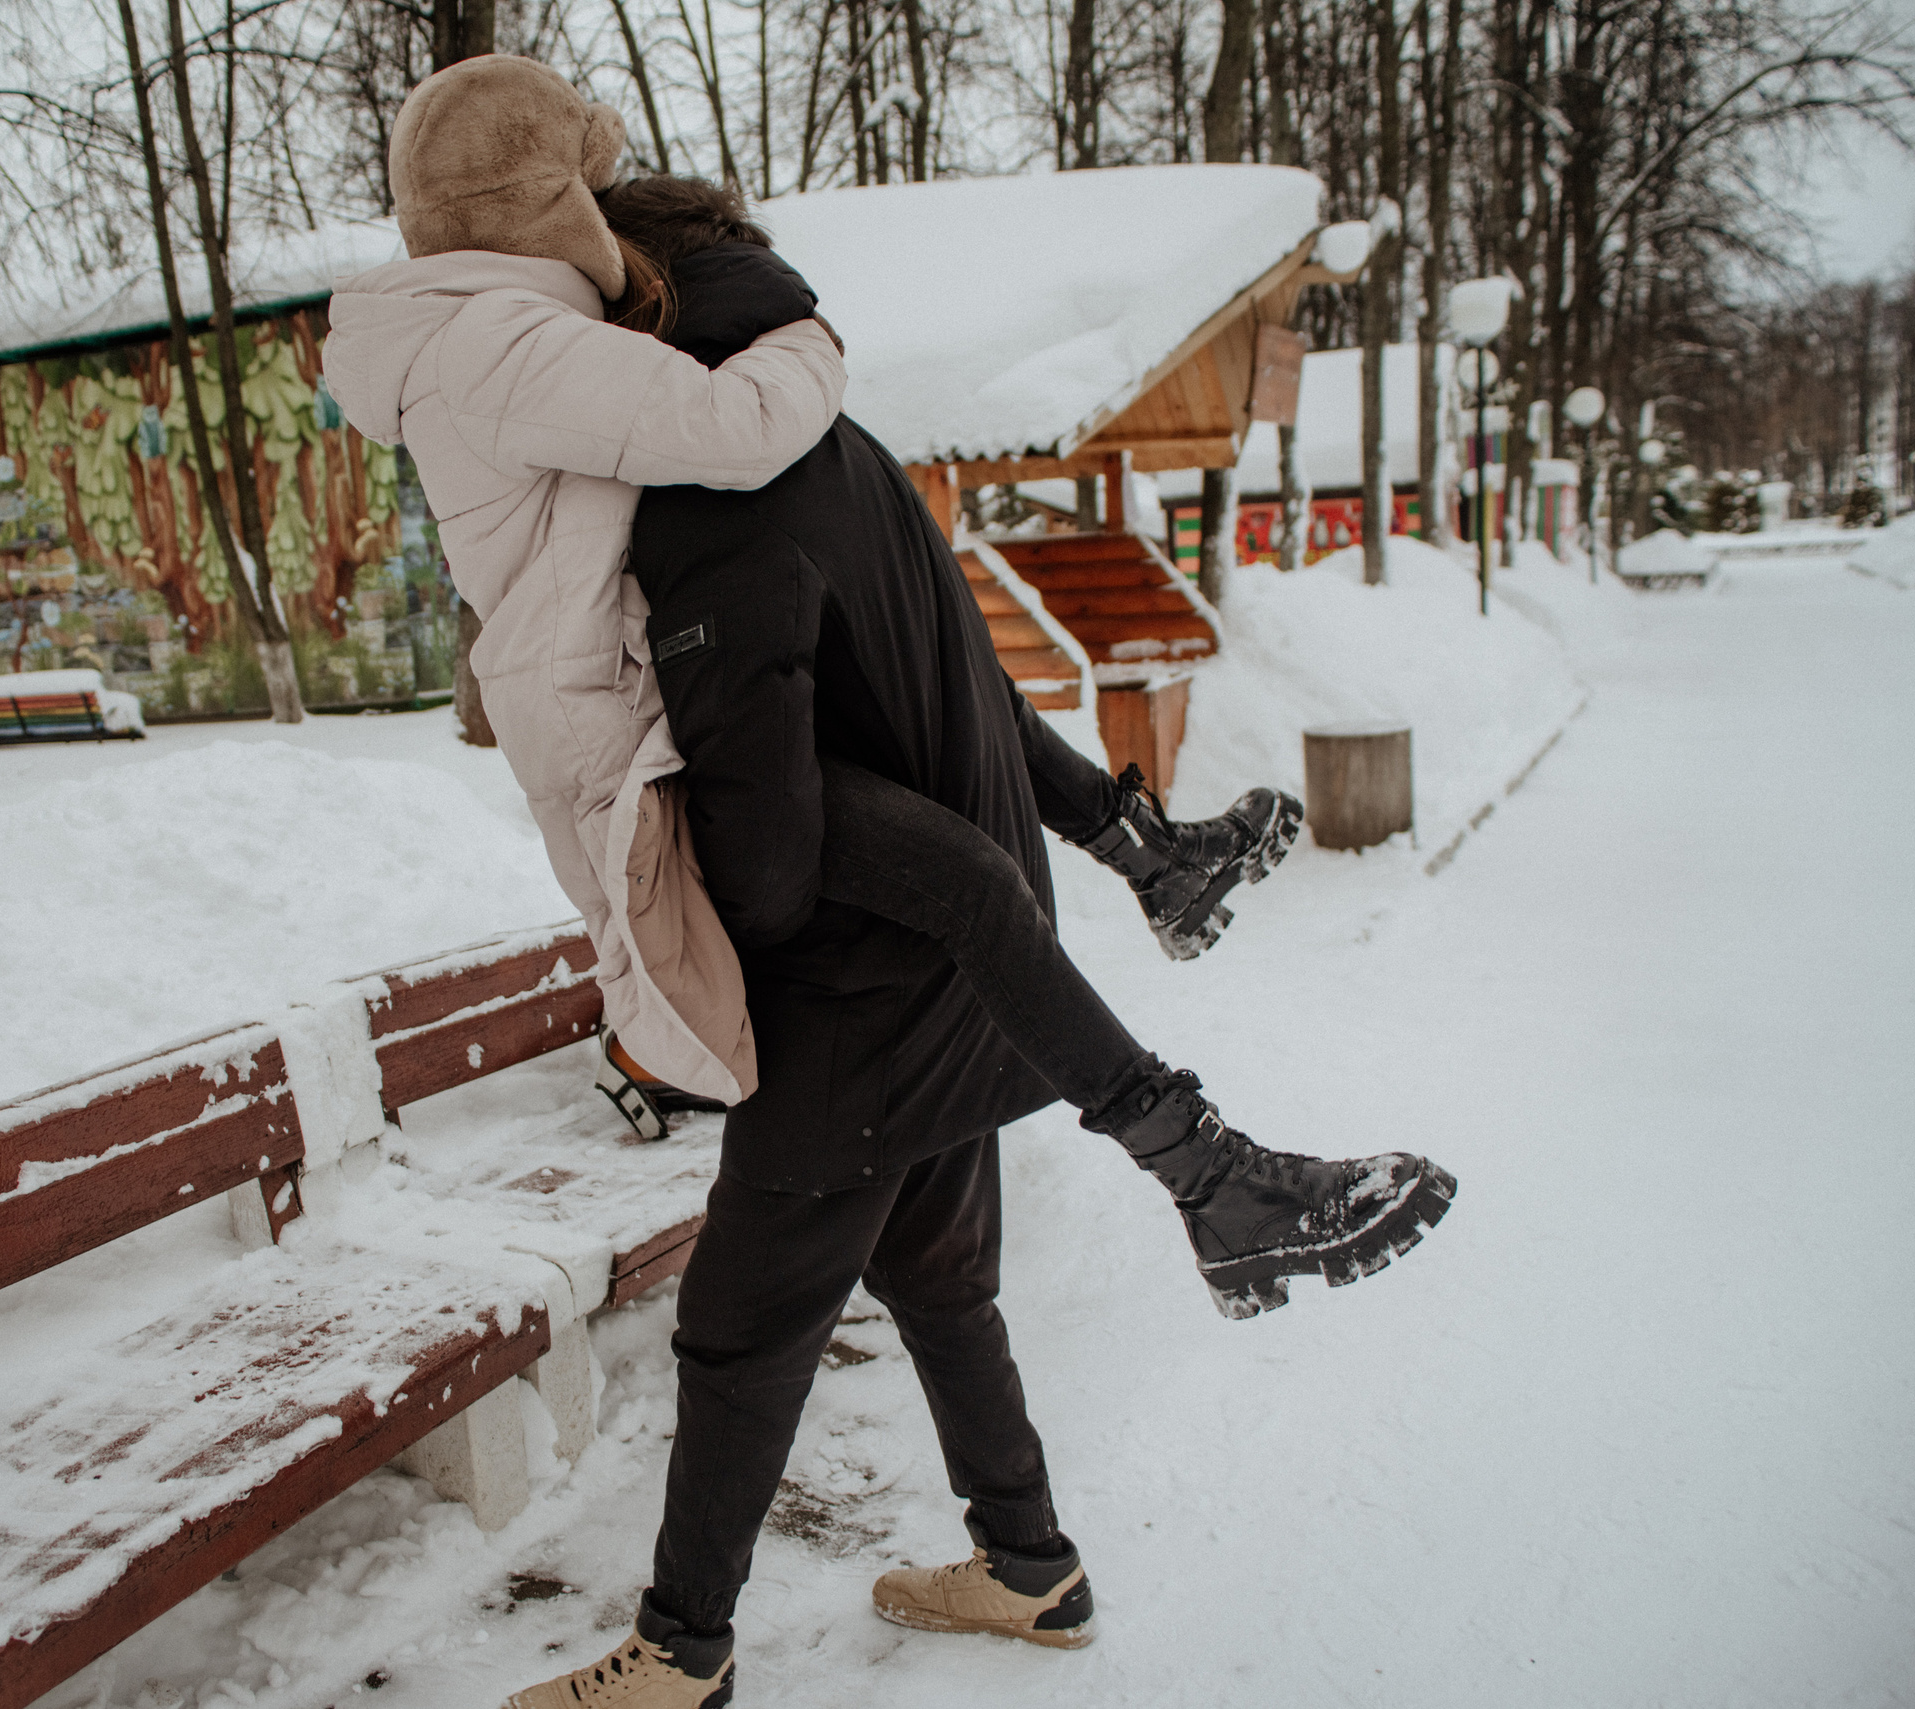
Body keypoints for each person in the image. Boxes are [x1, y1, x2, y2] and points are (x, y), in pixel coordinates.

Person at [321, 62, 1455, 1709]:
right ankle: (1027, 1562)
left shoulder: (717, 510)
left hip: (858, 997)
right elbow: (974, 689)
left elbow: (772, 856)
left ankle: (680, 1654)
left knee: (735, 1331)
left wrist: (747, 907)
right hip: (961, 975)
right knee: (937, 1276)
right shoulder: (850, 455)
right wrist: (1103, 833)